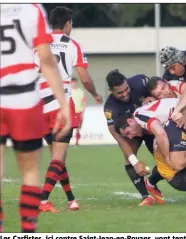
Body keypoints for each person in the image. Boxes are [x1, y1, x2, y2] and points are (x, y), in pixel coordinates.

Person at [0, 3, 70, 232]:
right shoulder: (32, 9)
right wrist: (63, 104)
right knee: (29, 170)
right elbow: (46, 59)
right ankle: (28, 229)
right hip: (24, 98)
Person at [36, 6, 103, 213]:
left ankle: (71, 198)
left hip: (40, 105)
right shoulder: (73, 45)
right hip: (60, 105)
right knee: (58, 157)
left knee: (58, 157)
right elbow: (84, 78)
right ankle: (42, 200)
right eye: (71, 23)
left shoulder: (38, 45)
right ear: (67, 24)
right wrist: (95, 94)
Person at [103, 69, 161, 206]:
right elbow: (119, 138)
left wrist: (152, 98)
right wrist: (135, 162)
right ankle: (146, 196)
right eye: (120, 93)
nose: (125, 94)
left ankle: (152, 182)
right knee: (128, 158)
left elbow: (160, 90)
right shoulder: (110, 109)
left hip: (151, 127)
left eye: (126, 89)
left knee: (163, 156)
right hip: (132, 132)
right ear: (111, 91)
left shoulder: (140, 81)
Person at [71, 77, 86, 147]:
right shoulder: (69, 91)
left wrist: (82, 113)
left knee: (77, 128)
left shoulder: (80, 91)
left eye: (74, 82)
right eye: (72, 83)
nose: (73, 84)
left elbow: (83, 102)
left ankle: (76, 142)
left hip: (78, 111)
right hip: (71, 112)